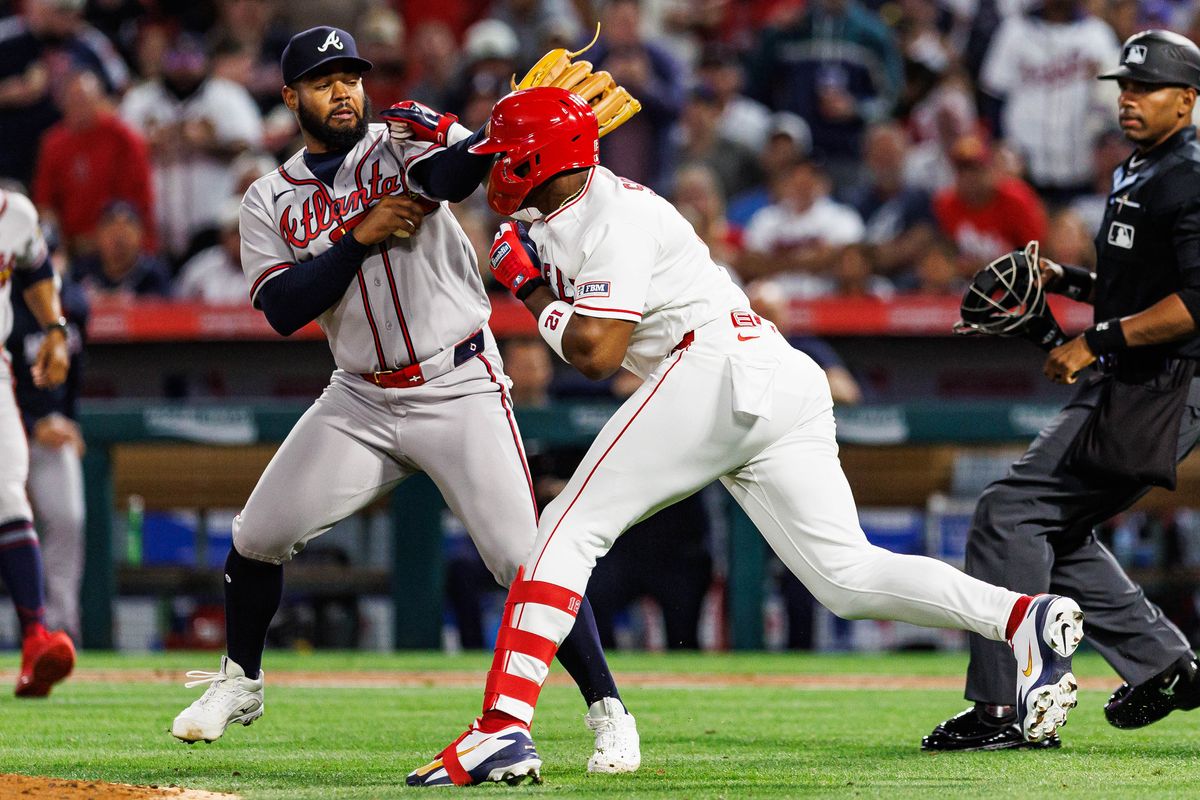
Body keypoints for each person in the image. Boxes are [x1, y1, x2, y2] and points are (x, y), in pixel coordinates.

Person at [405, 86, 1086, 787]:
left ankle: (503, 729)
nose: (492, 170)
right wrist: (463, 134)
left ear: (536, 162)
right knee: (848, 577)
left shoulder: (615, 215)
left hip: (712, 368)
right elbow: (497, 164)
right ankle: (1021, 617)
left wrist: (530, 292)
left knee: (563, 533)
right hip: (771, 374)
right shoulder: (564, 199)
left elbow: (596, 353)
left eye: (504, 157)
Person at [168, 27, 640, 776]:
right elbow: (285, 307)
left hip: (456, 383)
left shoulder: (402, 130)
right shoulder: (268, 198)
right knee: (257, 535)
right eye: (323, 81)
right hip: (358, 398)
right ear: (291, 97)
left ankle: (608, 711)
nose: (343, 90)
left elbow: (460, 173)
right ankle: (241, 682)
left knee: (524, 558)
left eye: (351, 75)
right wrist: (356, 238)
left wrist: (486, 140)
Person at [924, 29, 1200, 752]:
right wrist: (1070, 283)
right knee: (1052, 524)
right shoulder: (1139, 168)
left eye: (1147, 89)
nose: (1130, 100)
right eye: (1125, 86)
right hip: (1133, 378)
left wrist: (1097, 340)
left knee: (1008, 513)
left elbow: (1197, 304)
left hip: (1165, 384)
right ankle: (1163, 663)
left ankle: (1003, 708)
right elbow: (1140, 286)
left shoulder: (1193, 174)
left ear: (1189, 100)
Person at [0, 187, 75, 696]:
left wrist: (54, 328)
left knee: (8, 490)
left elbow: (34, 266)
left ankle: (35, 639)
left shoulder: (14, 212)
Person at [6, 222, 88, 642]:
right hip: (13, 426)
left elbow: (74, 379)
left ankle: (59, 629)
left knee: (68, 518)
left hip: (51, 436)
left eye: (55, 255)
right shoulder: (8, 306)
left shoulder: (72, 305)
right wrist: (35, 423)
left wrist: (68, 421)